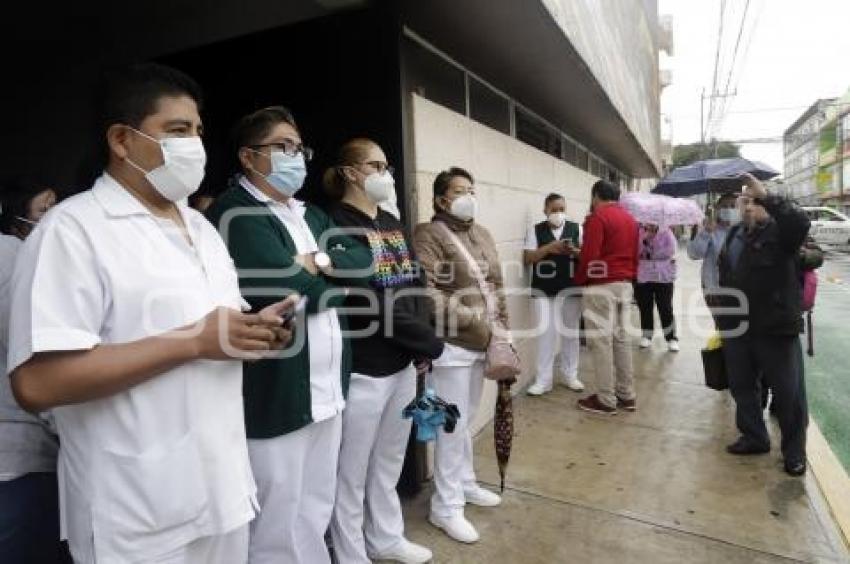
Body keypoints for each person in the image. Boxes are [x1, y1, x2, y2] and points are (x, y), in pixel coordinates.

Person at [5, 64, 295, 564]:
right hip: (134, 512)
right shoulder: (73, 231)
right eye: (178, 131)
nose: (196, 145)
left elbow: (215, 333)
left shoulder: (201, 229)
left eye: (199, 131)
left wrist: (252, 336)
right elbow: (36, 383)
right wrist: (193, 341)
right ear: (121, 139)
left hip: (222, 491)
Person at [205, 107, 374, 564]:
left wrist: (315, 264)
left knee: (315, 505)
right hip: (277, 395)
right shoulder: (236, 213)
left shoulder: (310, 212)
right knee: (275, 519)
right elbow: (293, 290)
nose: (295, 156)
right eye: (282, 146)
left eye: (298, 148)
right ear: (247, 157)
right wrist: (325, 270)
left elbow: (362, 263)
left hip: (327, 391)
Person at [324, 138, 444, 564]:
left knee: (390, 460)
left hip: (404, 363)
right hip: (365, 368)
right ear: (351, 172)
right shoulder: (334, 224)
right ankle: (351, 551)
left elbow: (413, 286)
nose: (385, 175)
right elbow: (366, 300)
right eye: (376, 166)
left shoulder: (392, 221)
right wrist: (427, 341)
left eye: (387, 166)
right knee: (350, 472)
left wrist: (422, 343)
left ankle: (385, 537)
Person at [413, 167, 508, 544]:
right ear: (441, 199)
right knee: (450, 427)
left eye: (472, 189)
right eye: (459, 190)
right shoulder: (429, 234)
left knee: (464, 420)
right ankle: (445, 507)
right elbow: (428, 291)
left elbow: (497, 287)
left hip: (483, 340)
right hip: (451, 345)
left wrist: (504, 332)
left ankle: (464, 484)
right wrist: (474, 321)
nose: (468, 196)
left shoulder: (481, 233)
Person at [716, 173, 810, 476]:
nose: (748, 207)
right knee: (742, 387)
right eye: (745, 201)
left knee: (788, 395)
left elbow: (798, 222)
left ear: (768, 206)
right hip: (737, 327)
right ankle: (754, 436)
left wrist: (767, 194)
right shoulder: (733, 235)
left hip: (774, 328)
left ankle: (794, 452)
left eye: (755, 202)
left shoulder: (783, 235)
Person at [0, 180, 70, 563]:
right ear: (15, 219)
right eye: (46, 210)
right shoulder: (12, 255)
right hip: (17, 462)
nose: (55, 219)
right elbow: (29, 353)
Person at [574, 180, 639, 415]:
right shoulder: (631, 220)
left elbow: (590, 256)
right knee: (621, 340)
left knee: (600, 343)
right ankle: (626, 395)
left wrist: (580, 281)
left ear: (595, 196)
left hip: (601, 286)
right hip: (624, 284)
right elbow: (635, 255)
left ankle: (605, 399)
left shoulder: (598, 218)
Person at [522, 193, 583, 395]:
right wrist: (549, 248)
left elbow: (586, 255)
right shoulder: (536, 230)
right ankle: (543, 380)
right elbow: (528, 257)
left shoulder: (576, 228)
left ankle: (570, 375)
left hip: (570, 287)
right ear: (545, 210)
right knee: (545, 334)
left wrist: (573, 251)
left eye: (561, 209)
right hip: (544, 288)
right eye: (554, 209)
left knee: (570, 333)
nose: (558, 213)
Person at [687, 192, 740, 323]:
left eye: (733, 206)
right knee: (722, 326)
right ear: (718, 209)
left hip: (740, 288)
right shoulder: (710, 228)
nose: (729, 209)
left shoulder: (744, 230)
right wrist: (706, 232)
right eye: (725, 206)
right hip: (714, 288)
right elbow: (693, 254)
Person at [635, 223, 680, 352]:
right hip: (644, 274)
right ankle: (647, 335)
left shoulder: (666, 232)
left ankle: (671, 338)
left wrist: (652, 242)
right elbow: (636, 251)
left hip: (663, 276)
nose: (650, 223)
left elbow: (670, 251)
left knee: (665, 307)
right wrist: (644, 240)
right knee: (645, 306)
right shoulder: (639, 233)